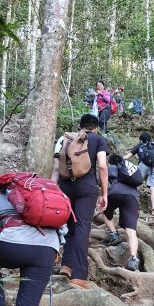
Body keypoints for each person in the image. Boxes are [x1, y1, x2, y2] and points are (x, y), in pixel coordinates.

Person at [51, 113, 108, 289]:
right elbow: (102, 166)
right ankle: (79, 275)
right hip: (87, 188)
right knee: (83, 227)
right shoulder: (98, 140)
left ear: (80, 126)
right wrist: (104, 193)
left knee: (70, 227)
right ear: (95, 127)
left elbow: (55, 169)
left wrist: (53, 192)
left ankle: (66, 266)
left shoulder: (65, 139)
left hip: (65, 187)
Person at [101, 153, 140, 271]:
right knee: (132, 233)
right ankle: (133, 258)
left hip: (115, 192)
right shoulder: (129, 171)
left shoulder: (112, 167)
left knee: (104, 209)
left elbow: (101, 181)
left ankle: (114, 234)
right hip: (132, 198)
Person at [124, 132, 154, 217]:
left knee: (134, 185)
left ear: (141, 140)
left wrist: (118, 160)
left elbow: (127, 157)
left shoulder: (139, 146)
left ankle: (129, 205)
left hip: (143, 166)